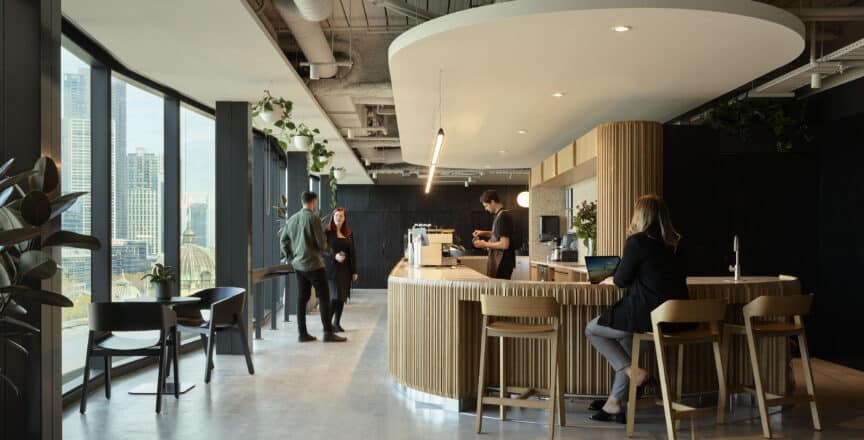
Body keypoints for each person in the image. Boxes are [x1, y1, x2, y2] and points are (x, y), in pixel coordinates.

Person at [584, 194, 688, 423]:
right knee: (630, 345)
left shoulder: (638, 241)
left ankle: (633, 372)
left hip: (647, 316)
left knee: (591, 329)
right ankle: (616, 404)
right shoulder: (676, 244)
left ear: (640, 215)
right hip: (676, 319)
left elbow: (621, 279)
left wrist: (612, 278)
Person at [280, 191, 347, 343]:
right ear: (313, 201)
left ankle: (302, 334)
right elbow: (322, 243)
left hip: (299, 266)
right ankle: (328, 333)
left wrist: (292, 258)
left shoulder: (292, 219)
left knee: (301, 298)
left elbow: (283, 241)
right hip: (314, 265)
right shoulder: (313, 218)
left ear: (302, 201)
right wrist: (331, 251)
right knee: (324, 297)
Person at [323, 207, 358, 333]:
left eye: (341, 216)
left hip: (345, 270)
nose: (339, 218)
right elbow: (323, 250)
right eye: (337, 215)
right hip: (332, 269)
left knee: (342, 297)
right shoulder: (327, 232)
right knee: (335, 296)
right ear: (333, 217)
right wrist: (335, 256)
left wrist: (354, 271)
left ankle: (336, 323)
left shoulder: (348, 233)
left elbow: (353, 253)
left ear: (344, 218)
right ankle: (327, 324)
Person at [472, 190, 517, 279]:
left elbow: (504, 244)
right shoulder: (500, 215)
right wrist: (483, 233)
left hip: (503, 262)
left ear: (492, 202)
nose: (486, 209)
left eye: (486, 205)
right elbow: (499, 234)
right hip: (502, 261)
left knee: (499, 291)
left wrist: (484, 244)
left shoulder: (503, 217)